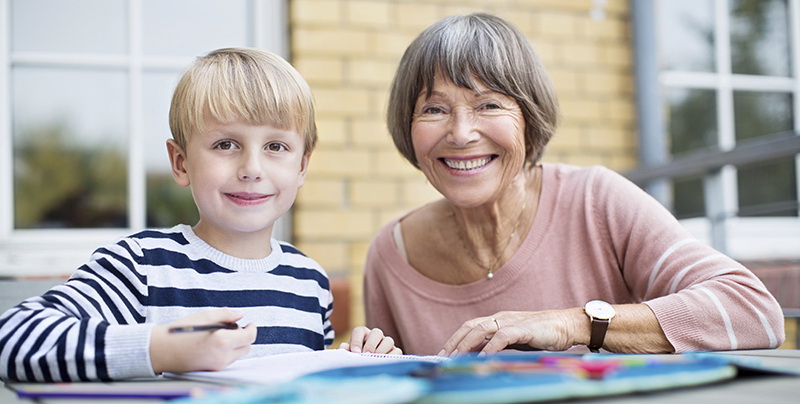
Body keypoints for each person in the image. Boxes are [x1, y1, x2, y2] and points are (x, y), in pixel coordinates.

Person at [361, 13, 785, 356]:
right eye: (434, 109)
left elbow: (754, 311)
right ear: (407, 127)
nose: (460, 133)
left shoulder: (595, 201)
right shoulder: (391, 253)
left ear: (530, 117)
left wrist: (573, 323)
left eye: (488, 104)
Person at [0, 48, 399, 383]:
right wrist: (159, 350)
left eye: (276, 146)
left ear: (302, 167)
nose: (252, 168)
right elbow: (13, 339)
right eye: (226, 144)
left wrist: (354, 359)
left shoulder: (310, 282)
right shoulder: (142, 266)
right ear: (180, 162)